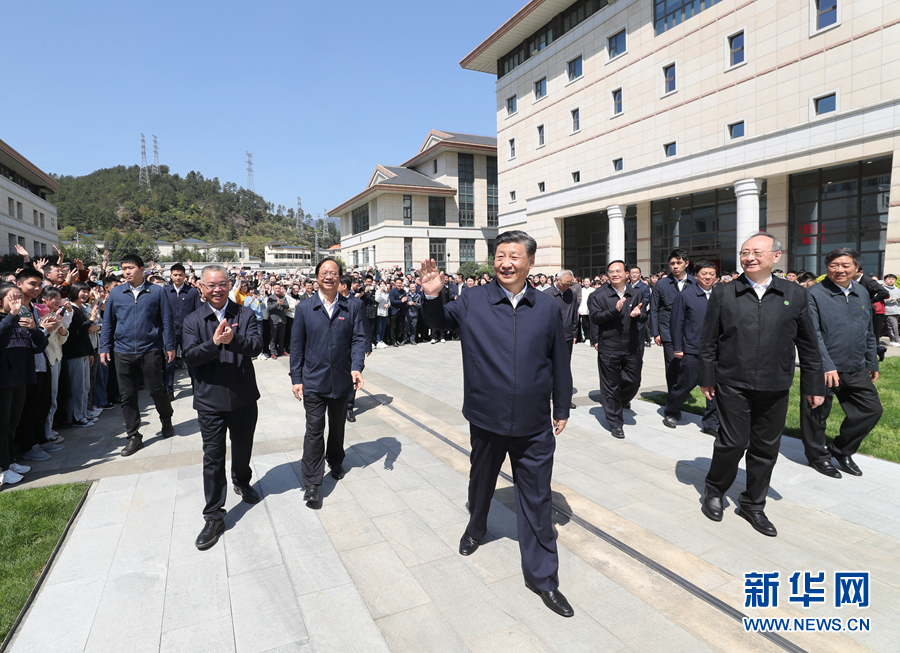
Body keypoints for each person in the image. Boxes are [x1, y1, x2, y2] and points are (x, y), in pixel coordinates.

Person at [421, 230, 574, 618]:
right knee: (481, 480)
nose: (506, 262)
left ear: (530, 262)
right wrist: (433, 294)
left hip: (534, 421)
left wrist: (562, 405)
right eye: (501, 255)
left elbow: (559, 359)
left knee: (537, 499)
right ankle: (476, 528)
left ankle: (543, 579)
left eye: (514, 256)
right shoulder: (472, 299)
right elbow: (438, 323)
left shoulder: (546, 307)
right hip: (486, 416)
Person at [699, 232, 825, 537]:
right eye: (744, 252)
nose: (749, 257)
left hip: (775, 382)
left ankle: (753, 504)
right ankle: (715, 489)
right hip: (732, 381)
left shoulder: (794, 294)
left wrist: (815, 385)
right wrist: (706, 377)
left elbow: (808, 345)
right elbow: (708, 341)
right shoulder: (725, 293)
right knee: (732, 442)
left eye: (756, 252)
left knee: (766, 447)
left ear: (776, 256)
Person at [183, 265, 262, 550]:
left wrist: (234, 340)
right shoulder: (193, 320)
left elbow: (256, 347)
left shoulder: (245, 313)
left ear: (229, 285)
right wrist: (215, 343)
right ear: (201, 288)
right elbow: (190, 356)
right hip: (210, 400)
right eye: (211, 285)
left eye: (222, 284)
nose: (217, 289)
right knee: (213, 457)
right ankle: (214, 515)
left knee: (242, 447)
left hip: (243, 397)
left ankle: (242, 480)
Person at [800, 248, 883, 478]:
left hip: (855, 366)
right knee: (816, 415)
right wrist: (826, 365)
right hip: (823, 367)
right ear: (826, 267)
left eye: (846, 265)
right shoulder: (813, 294)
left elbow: (867, 330)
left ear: (856, 267)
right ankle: (818, 457)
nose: (840, 270)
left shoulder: (862, 292)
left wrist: (871, 361)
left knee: (871, 409)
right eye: (834, 265)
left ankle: (841, 450)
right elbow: (812, 334)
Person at [290, 258, 366, 503]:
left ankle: (335, 460)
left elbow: (358, 340)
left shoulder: (352, 306)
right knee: (314, 430)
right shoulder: (304, 308)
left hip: (342, 379)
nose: (329, 276)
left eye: (334, 272)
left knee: (337, 426)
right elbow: (297, 346)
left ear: (341, 277)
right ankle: (312, 482)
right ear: (317, 277)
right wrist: (296, 378)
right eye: (325, 272)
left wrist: (356, 367)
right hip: (313, 380)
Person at [99, 254, 176, 457]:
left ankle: (166, 419)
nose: (127, 271)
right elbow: (108, 322)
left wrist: (170, 345)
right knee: (127, 395)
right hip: (122, 351)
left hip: (150, 349)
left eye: (131, 267)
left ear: (142, 270)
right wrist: (104, 347)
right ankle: (133, 436)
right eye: (124, 268)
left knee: (157, 389)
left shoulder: (157, 292)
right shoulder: (116, 293)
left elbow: (167, 320)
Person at [589, 260, 647, 438]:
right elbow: (595, 318)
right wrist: (614, 310)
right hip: (609, 347)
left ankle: (615, 402)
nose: (615, 274)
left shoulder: (636, 294)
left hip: (632, 346)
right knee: (610, 386)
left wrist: (639, 315)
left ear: (626, 274)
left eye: (618, 271)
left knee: (633, 382)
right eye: (611, 272)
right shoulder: (598, 295)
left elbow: (644, 315)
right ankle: (615, 423)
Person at [662, 260, 720, 436]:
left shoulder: (720, 296)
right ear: (696, 276)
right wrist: (678, 347)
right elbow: (676, 323)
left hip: (715, 351)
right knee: (685, 384)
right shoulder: (685, 296)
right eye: (704, 274)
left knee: (715, 388)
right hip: (691, 349)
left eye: (711, 274)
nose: (708, 277)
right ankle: (671, 411)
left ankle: (711, 423)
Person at [651, 249, 695, 406]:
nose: (675, 266)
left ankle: (681, 394)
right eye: (672, 263)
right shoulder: (661, 285)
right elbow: (654, 309)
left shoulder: (695, 284)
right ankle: (673, 400)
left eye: (679, 263)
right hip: (668, 332)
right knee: (673, 367)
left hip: (690, 332)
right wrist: (655, 332)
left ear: (686, 263)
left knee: (689, 367)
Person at [164, 263, 201, 399]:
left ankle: (196, 387)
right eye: (175, 275)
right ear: (171, 276)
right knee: (169, 362)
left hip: (188, 332)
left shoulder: (192, 292)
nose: (178, 277)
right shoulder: (165, 291)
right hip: (170, 332)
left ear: (185, 276)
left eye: (180, 275)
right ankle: (168, 390)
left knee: (191, 360)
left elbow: (198, 312)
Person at [340, 275, 372, 423]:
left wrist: (367, 344)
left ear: (344, 286)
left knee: (353, 376)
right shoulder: (333, 301)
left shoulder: (357, 303)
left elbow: (364, 324)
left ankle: (349, 408)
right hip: (338, 347)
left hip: (354, 346)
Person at [545, 270, 578, 409]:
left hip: (567, 336)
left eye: (569, 284)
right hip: (549, 336)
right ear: (556, 280)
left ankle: (564, 398)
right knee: (548, 367)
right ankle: (545, 395)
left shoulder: (572, 294)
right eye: (564, 284)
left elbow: (574, 314)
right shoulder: (546, 295)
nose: (566, 287)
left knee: (564, 368)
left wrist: (575, 333)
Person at [267, 283, 288, 359]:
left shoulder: (283, 297)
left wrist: (282, 303)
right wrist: (277, 303)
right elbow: (269, 308)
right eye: (276, 288)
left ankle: (281, 350)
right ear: (273, 289)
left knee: (281, 337)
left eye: (279, 288)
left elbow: (287, 306)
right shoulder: (270, 298)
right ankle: (272, 352)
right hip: (274, 320)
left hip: (282, 320)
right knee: (273, 337)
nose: (277, 290)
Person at [388, 277, 407, 347]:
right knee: (393, 326)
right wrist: (401, 301)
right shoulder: (392, 291)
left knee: (400, 326)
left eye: (400, 283)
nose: (399, 284)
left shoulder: (403, 291)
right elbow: (392, 301)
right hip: (394, 311)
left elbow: (405, 300)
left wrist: (405, 301)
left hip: (401, 311)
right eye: (397, 283)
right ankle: (393, 341)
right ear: (395, 284)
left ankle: (397, 339)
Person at [405, 280, 423, 344]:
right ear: (409, 288)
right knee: (406, 328)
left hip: (415, 314)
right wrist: (408, 303)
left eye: (414, 287)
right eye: (411, 287)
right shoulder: (407, 295)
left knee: (413, 328)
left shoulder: (418, 296)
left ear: (416, 288)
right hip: (407, 314)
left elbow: (420, 305)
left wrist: (415, 304)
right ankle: (404, 339)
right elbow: (403, 304)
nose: (412, 289)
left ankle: (412, 340)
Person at [884, 273, 900, 347]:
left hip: (897, 310)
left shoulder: (897, 289)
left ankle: (893, 340)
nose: (891, 281)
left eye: (893, 279)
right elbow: (881, 300)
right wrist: (889, 300)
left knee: (893, 326)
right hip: (889, 311)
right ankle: (895, 340)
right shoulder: (883, 289)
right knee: (893, 326)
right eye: (889, 279)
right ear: (885, 280)